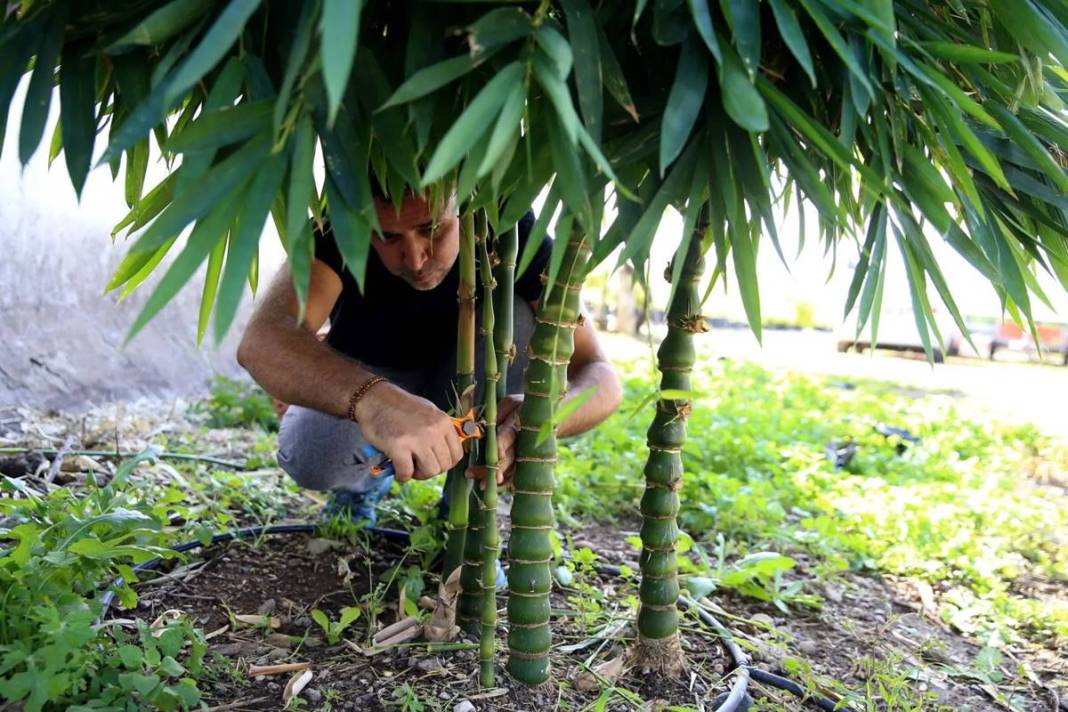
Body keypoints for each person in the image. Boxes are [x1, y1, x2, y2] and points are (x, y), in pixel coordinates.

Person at [237, 189, 622, 531]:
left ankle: (466, 507)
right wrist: (378, 403)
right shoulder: (339, 220)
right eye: (387, 236)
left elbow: (598, 373)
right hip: (371, 375)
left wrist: (541, 417)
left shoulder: (508, 222)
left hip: (476, 391)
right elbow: (263, 339)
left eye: (432, 228)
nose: (416, 258)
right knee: (313, 453)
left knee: (521, 316)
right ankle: (364, 484)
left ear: (466, 202)